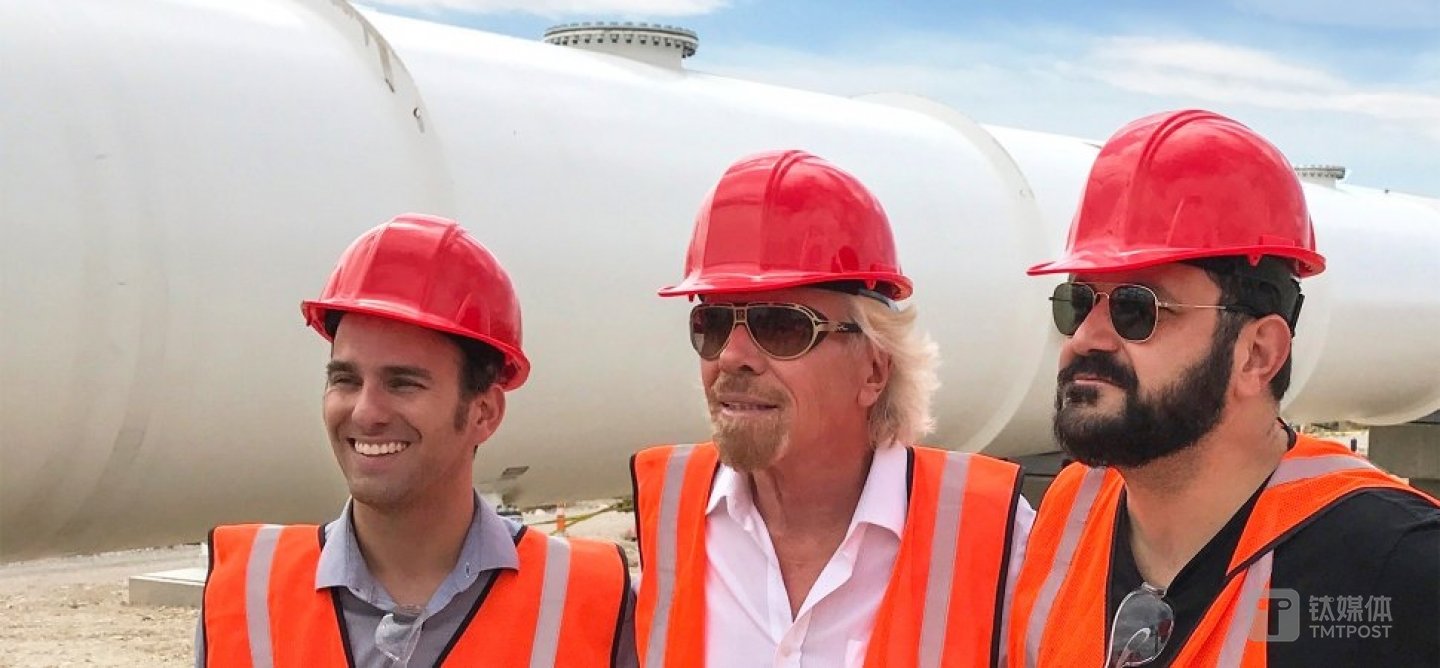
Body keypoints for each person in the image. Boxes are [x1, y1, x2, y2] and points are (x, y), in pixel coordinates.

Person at [1008, 110, 1440, 667]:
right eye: (1079, 302)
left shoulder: (1393, 563)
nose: (1087, 338)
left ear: (1257, 355)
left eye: (1138, 308)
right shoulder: (1070, 511)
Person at [631, 150, 1035, 667]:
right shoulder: (665, 512)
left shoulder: (997, 536)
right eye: (711, 323)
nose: (731, 355)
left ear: (874, 369)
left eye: (781, 326)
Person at [198, 214, 635, 667]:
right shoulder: (244, 596)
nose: (365, 412)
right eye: (345, 379)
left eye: (403, 383)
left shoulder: (593, 602)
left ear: (484, 413)